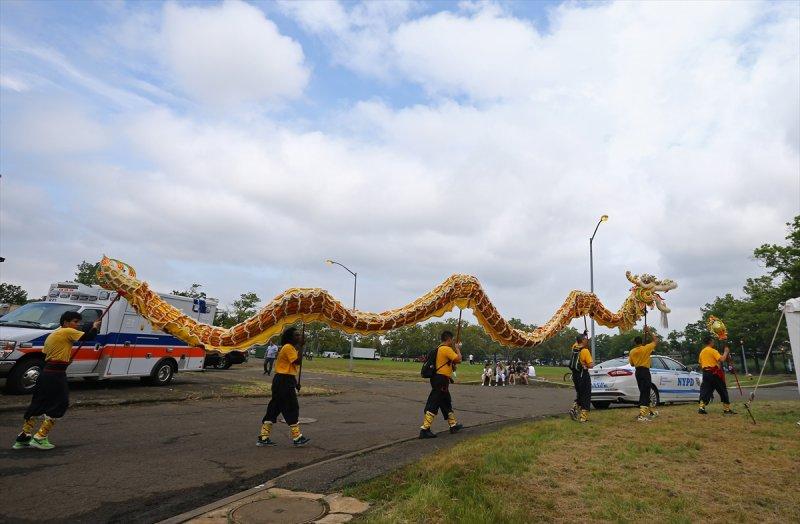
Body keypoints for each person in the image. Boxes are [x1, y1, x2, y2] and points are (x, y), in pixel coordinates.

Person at [13, 311, 101, 450]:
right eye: (75, 322)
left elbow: (48, 354)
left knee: (39, 402)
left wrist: (65, 360)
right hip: (56, 375)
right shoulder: (67, 331)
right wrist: (95, 327)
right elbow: (89, 337)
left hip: (47, 372)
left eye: (78, 322)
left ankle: (24, 436)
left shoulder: (54, 333)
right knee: (60, 403)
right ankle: (40, 437)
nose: (77, 325)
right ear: (66, 322)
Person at [257, 327, 311, 447]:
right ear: (290, 337)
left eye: (299, 335)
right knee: (292, 406)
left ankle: (263, 437)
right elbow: (297, 362)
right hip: (284, 381)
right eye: (296, 335)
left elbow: (289, 368)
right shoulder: (288, 347)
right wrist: (301, 346)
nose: (299, 337)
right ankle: (297, 437)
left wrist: (295, 383)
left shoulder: (290, 348)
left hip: (283, 380)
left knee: (274, 408)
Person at [419, 330, 463, 438]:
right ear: (449, 339)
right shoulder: (446, 349)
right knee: (434, 402)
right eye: (452, 340)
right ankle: (425, 429)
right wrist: (457, 348)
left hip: (439, 379)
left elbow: (449, 363)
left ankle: (453, 425)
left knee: (446, 402)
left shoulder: (439, 348)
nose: (453, 342)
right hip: (441, 380)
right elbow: (459, 359)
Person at [697, 336, 737, 415]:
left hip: (706, 373)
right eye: (713, 341)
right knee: (722, 390)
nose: (714, 342)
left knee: (705, 390)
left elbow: (701, 363)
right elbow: (722, 359)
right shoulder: (713, 351)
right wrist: (726, 352)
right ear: (710, 342)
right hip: (714, 373)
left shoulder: (702, 352)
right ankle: (726, 409)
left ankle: (701, 407)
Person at [629, 326, 659, 422]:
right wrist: (648, 331)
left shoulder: (632, 351)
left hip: (637, 372)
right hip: (645, 371)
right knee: (645, 392)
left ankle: (651, 412)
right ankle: (641, 415)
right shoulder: (646, 348)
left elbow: (632, 364)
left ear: (635, 343)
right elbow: (656, 340)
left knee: (643, 391)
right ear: (641, 342)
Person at [568, 332, 593, 423]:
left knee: (580, 393)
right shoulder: (585, 351)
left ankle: (574, 408)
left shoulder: (574, 348)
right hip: (583, 375)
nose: (587, 340)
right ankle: (583, 417)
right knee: (586, 395)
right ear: (582, 340)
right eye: (586, 339)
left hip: (575, 375)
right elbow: (591, 365)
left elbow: (577, 341)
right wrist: (586, 365)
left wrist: (584, 334)